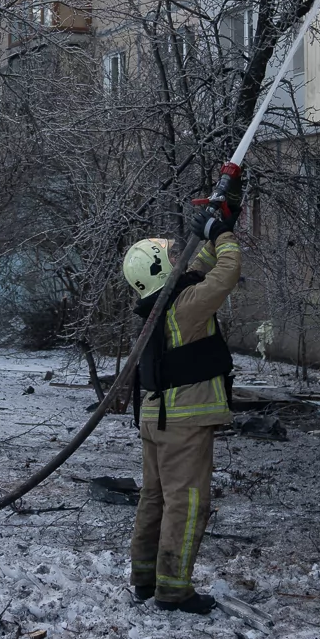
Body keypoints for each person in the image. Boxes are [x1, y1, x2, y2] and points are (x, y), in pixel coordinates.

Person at [121, 177, 243, 615]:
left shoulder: (162, 304)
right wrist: (224, 236)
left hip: (158, 420)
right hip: (183, 423)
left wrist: (222, 219)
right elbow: (225, 273)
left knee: (154, 498)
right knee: (188, 503)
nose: (178, 256)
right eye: (170, 256)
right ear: (158, 270)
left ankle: (145, 579)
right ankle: (174, 590)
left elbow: (201, 265)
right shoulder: (184, 305)